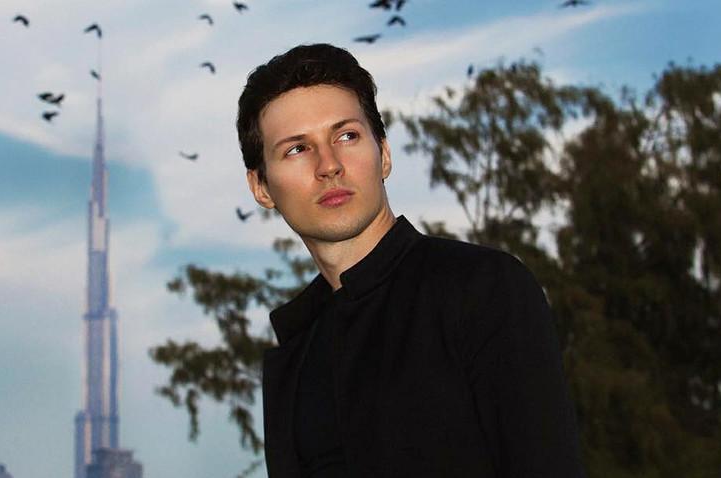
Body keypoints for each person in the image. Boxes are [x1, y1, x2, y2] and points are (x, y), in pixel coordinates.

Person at [236, 43, 585, 478]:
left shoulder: (482, 288)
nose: (329, 165)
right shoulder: (299, 352)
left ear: (383, 153)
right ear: (261, 187)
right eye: (297, 149)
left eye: (347, 136)